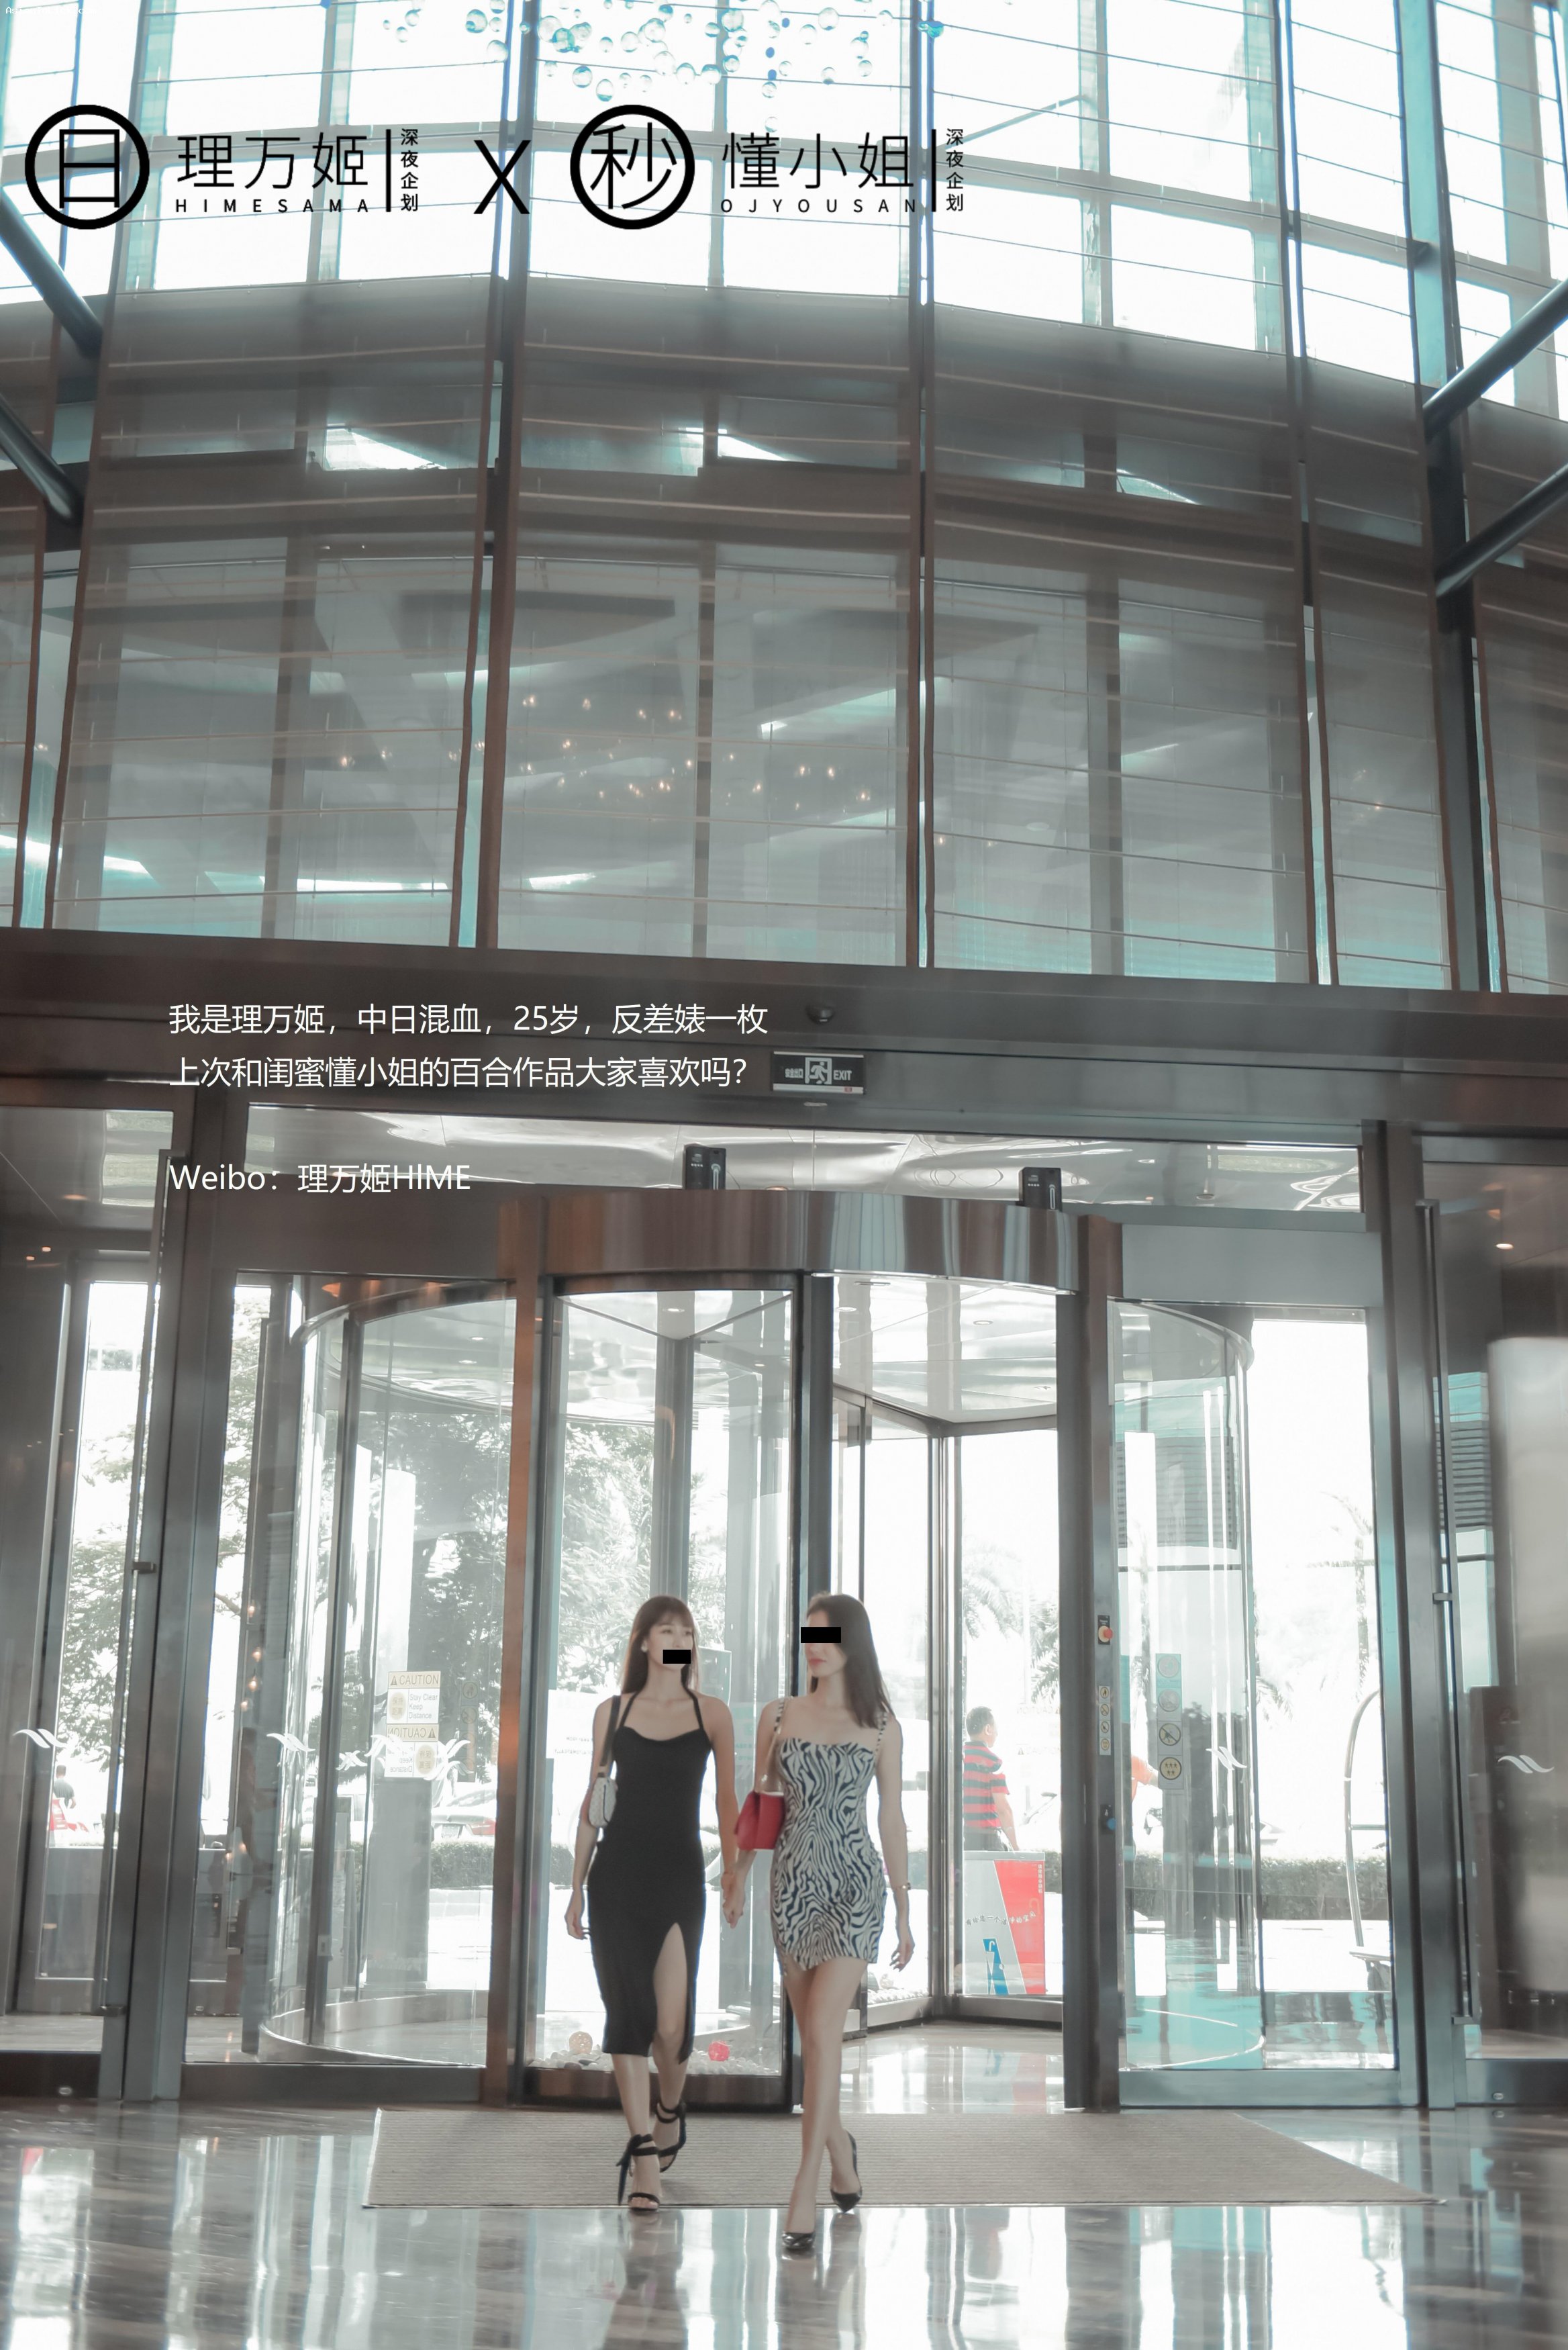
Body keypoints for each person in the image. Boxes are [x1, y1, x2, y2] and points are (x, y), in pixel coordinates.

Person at [728, 1591, 913, 2254]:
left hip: (855, 1886)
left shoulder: (883, 1725)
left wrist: (905, 1905)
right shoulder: (777, 1714)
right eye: (809, 1635)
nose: (814, 1646)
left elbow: (891, 1816)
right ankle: (840, 2152)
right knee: (813, 2038)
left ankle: (804, 2183)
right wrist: (738, 1874)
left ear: (852, 1643)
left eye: (827, 1636)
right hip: (791, 1887)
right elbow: (762, 1803)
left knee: (824, 2032)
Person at [566, 1597, 739, 2216]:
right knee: (627, 2014)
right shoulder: (612, 1712)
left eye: (687, 1631)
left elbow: (726, 1802)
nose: (678, 1638)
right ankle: (642, 2153)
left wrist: (735, 1873)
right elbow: (595, 1802)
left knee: (671, 2024)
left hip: (679, 1877)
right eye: (667, 1630)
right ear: (643, 1641)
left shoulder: (711, 1713)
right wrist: (575, 1883)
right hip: (616, 1877)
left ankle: (669, 2108)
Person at [961, 1707, 1018, 1852]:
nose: (997, 1733)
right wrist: (1016, 1848)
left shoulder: (958, 1758)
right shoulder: (993, 1762)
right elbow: (1003, 1809)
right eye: (995, 1728)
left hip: (963, 1838)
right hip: (989, 1839)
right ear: (988, 1729)